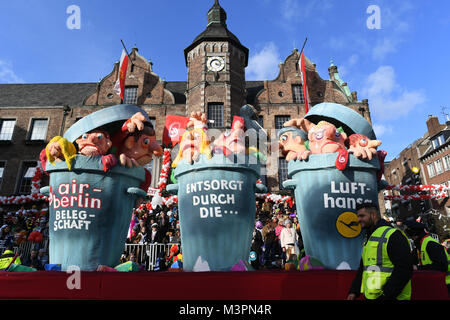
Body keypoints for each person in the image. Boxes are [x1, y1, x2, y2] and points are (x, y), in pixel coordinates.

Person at [347, 202, 413, 300]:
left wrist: (386, 295)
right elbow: (364, 267)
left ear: (373, 215)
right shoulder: (369, 238)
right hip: (373, 296)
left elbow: (404, 269)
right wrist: (354, 291)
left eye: (362, 216)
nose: (358, 219)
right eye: (358, 216)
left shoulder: (393, 235)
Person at [404, 221, 450, 296]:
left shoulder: (431, 244)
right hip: (435, 284)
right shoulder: (420, 246)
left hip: (445, 285)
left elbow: (441, 266)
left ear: (416, 236)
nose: (412, 239)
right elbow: (410, 260)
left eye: (412, 237)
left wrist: (418, 268)